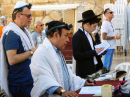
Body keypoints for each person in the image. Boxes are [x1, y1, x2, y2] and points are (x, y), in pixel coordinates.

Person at [30, 21, 95, 97]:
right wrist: (62, 91)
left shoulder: (57, 51)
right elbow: (44, 79)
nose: (68, 40)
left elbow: (67, 74)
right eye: (66, 36)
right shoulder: (41, 53)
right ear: (56, 35)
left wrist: (83, 82)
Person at [0, 1, 36, 97]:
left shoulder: (23, 30)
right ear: (18, 16)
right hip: (20, 85)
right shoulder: (11, 33)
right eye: (28, 16)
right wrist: (32, 51)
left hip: (27, 82)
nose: (31, 18)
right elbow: (12, 59)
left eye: (31, 15)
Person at [72, 10, 105, 78]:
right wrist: (94, 52)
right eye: (94, 26)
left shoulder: (89, 34)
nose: (95, 28)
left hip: (96, 68)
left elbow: (92, 49)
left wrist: (100, 52)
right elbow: (77, 55)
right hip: (86, 71)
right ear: (87, 24)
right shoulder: (77, 36)